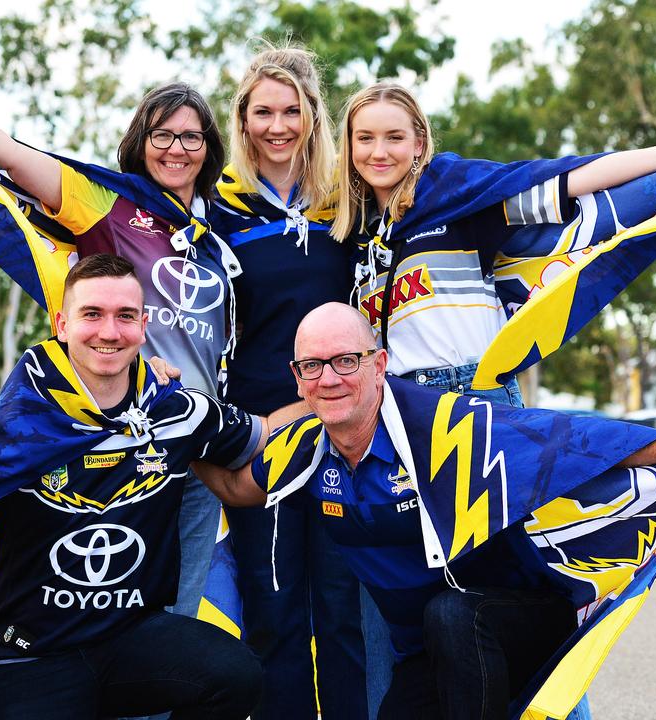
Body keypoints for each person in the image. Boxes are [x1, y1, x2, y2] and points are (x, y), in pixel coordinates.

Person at [195, 301, 656, 720]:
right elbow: (240, 488)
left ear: (380, 364)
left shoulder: (447, 426)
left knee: (451, 613)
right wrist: (174, 429)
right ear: (297, 378)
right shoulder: (303, 449)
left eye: (346, 360)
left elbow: (577, 443)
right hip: (429, 651)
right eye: (313, 366)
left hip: (519, 619)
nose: (330, 378)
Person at [0, 253, 266, 719]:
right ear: (61, 323)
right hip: (32, 654)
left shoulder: (178, 412)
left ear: (144, 324)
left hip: (132, 640)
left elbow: (262, 439)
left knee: (235, 676)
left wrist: (330, 404)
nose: (110, 332)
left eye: (125, 316)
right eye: (92, 314)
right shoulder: (15, 425)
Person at [0, 77, 234, 621]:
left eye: (191, 137)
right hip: (124, 451)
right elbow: (10, 154)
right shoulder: (104, 202)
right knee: (111, 619)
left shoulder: (217, 231)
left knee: (178, 624)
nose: (176, 149)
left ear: (209, 148)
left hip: (195, 448)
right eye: (162, 135)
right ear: (140, 141)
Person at [330, 82, 656, 406]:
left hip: (475, 395)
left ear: (418, 143)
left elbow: (568, 179)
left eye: (394, 137)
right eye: (365, 138)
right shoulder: (354, 234)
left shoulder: (460, 198)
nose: (378, 152)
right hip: (397, 405)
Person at [208, 45, 386, 719]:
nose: (276, 126)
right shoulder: (216, 208)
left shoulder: (348, 201)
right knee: (276, 612)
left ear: (313, 117)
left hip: (346, 431)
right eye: (262, 112)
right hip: (263, 433)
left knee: (342, 611)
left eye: (291, 111)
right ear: (243, 119)